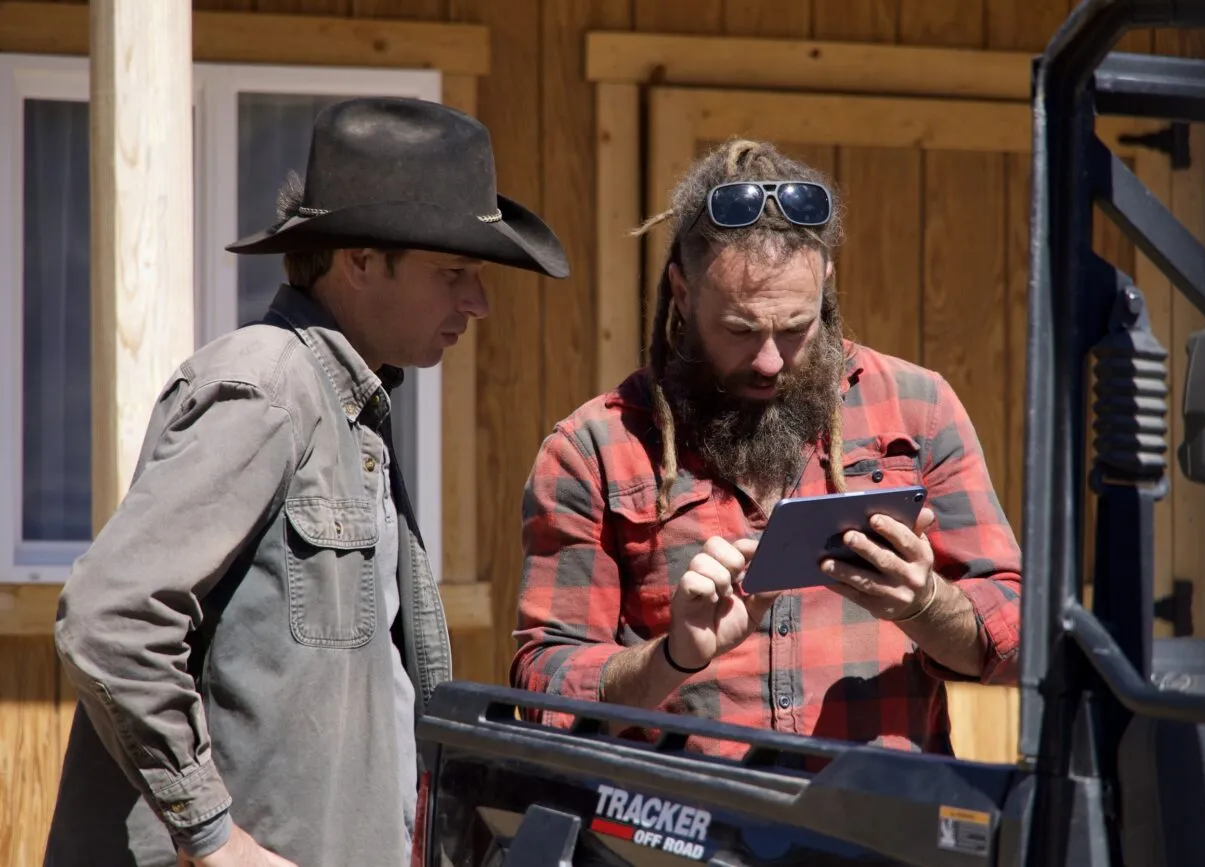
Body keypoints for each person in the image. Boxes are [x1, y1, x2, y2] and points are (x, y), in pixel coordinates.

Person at [44, 97, 569, 867]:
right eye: (453, 272)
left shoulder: (349, 408)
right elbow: (110, 617)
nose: (478, 302)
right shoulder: (267, 388)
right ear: (358, 261)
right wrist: (213, 836)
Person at [510, 138, 1020, 759]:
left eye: (796, 328)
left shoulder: (918, 411)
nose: (770, 361)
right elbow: (544, 693)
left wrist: (925, 605)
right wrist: (672, 657)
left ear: (827, 285)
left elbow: (1018, 639)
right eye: (740, 330)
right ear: (682, 290)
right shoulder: (596, 449)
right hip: (678, 837)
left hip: (877, 831)